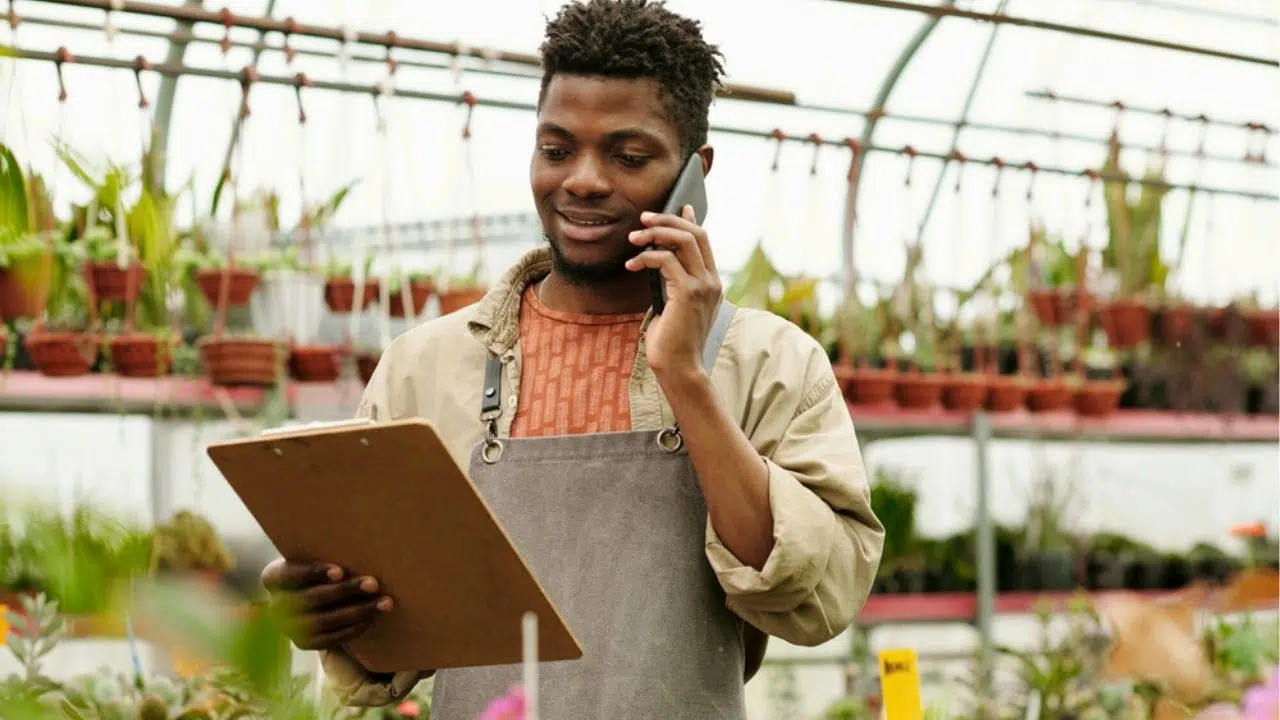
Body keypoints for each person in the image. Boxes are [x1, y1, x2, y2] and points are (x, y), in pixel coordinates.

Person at [260, 0, 883, 716]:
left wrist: (684, 373)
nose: (582, 179)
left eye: (629, 155)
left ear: (695, 173)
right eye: (557, 149)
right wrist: (327, 612)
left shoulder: (769, 361)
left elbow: (819, 593)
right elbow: (385, 644)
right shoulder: (424, 366)